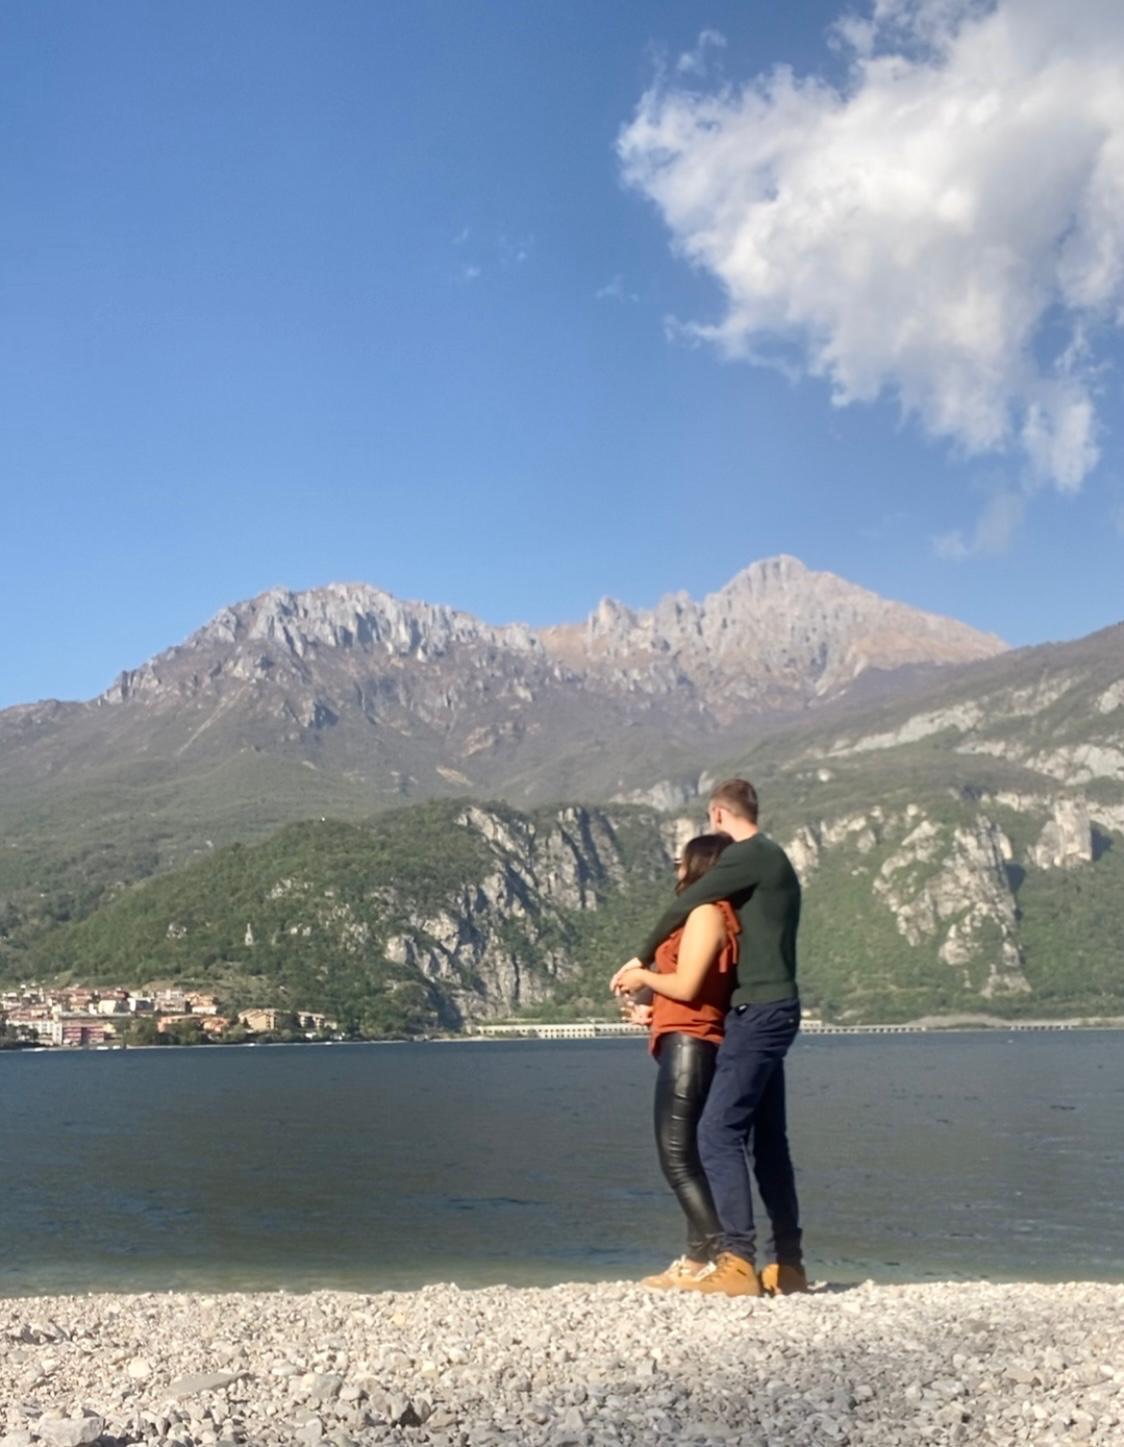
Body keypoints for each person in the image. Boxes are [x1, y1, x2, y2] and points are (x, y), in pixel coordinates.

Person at [613, 778, 807, 1298]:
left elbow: (689, 902)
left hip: (758, 1012)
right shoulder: (767, 869)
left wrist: (640, 958)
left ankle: (737, 1260)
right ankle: (787, 1264)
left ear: (718, 815)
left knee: (716, 1135)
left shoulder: (752, 856)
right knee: (767, 1144)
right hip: (764, 1011)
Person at [617, 832, 741, 1289]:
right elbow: (693, 992)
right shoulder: (706, 916)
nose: (675, 870)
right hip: (685, 1035)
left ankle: (722, 1251)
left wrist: (641, 974)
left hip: (692, 1042)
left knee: (675, 1155)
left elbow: (688, 987)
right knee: (687, 1152)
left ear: (701, 865)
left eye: (681, 862)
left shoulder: (706, 913)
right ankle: (695, 1259)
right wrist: (652, 1011)